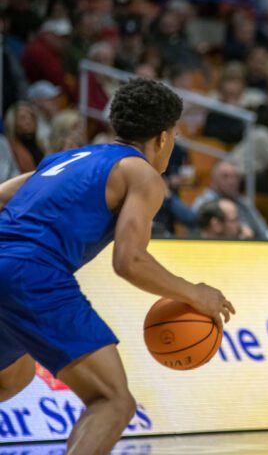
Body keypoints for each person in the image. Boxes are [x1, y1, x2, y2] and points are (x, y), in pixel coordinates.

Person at [0, 78, 235, 454]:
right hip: (33, 272)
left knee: (13, 376)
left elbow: (2, 195)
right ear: (163, 138)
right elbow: (129, 261)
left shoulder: (66, 159)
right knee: (113, 401)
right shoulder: (142, 174)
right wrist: (196, 294)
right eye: (174, 136)